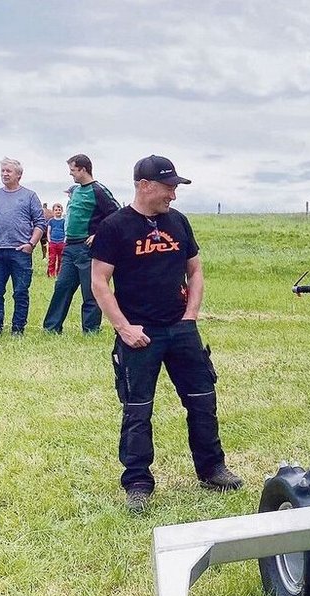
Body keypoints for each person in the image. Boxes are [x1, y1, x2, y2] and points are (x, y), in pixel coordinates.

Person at [90, 155, 242, 511]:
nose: (173, 195)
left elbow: (196, 270)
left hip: (181, 329)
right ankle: (138, 483)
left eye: (175, 187)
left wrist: (191, 315)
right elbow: (99, 281)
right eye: (168, 187)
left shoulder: (178, 222)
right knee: (138, 409)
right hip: (140, 334)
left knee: (203, 400)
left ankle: (212, 468)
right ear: (144, 185)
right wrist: (123, 327)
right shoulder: (115, 227)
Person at [43, 154, 119, 333]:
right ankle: (51, 328)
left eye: (73, 171)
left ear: (83, 169)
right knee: (62, 286)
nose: (71, 175)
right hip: (69, 246)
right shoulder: (75, 191)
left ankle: (91, 329)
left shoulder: (99, 190)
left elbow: (117, 214)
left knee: (90, 291)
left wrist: (99, 234)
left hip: (88, 249)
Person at [0, 158, 45, 335]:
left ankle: (18, 329)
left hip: (20, 252)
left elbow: (40, 223)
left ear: (19, 174)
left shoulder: (29, 196)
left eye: (8, 171)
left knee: (20, 292)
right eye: (2, 170)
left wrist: (31, 244)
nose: (4, 174)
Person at [45, 203, 65, 278]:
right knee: (52, 259)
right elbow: (48, 231)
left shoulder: (64, 221)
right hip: (53, 242)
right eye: (56, 210)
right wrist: (49, 240)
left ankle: (59, 273)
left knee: (60, 259)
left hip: (61, 242)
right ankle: (51, 273)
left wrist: (64, 241)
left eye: (59, 210)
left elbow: (65, 231)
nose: (58, 211)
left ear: (62, 211)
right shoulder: (51, 221)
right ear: (53, 211)